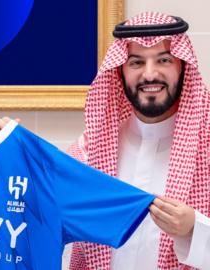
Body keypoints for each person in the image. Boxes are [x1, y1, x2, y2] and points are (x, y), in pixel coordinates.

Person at [67, 12, 210, 269]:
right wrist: (15, 150)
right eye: (136, 63)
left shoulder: (207, 149)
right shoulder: (88, 152)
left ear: (183, 67)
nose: (149, 74)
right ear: (120, 72)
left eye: (164, 60)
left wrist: (193, 229)